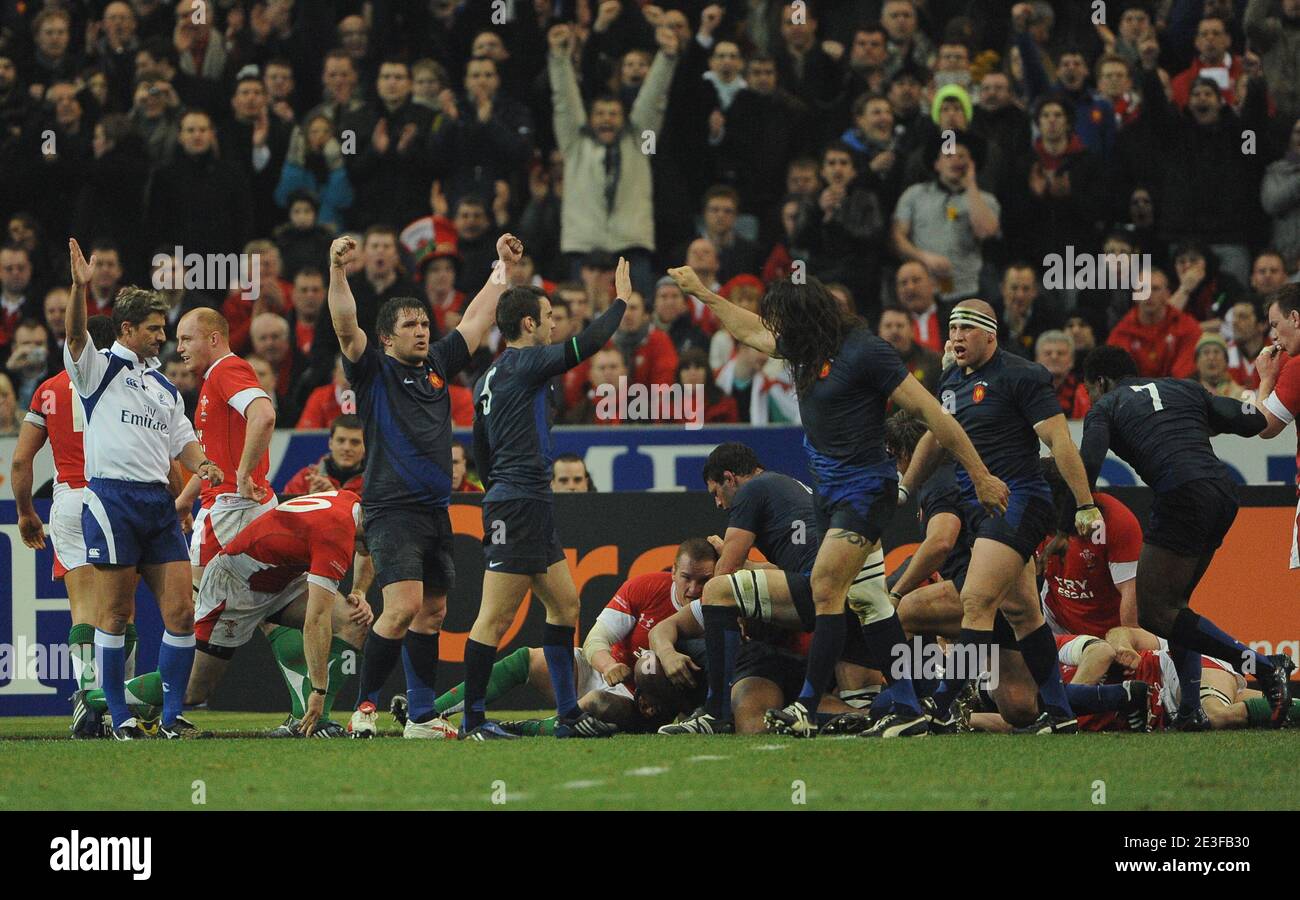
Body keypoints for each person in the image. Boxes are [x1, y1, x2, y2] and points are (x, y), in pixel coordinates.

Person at [669, 266, 1007, 738]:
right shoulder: (804, 349)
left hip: (866, 492)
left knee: (826, 586)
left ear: (807, 319)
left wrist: (981, 474)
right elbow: (747, 329)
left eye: (783, 322)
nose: (777, 333)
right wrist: (702, 293)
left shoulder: (867, 352)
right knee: (869, 600)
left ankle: (806, 703)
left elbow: (933, 413)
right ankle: (909, 704)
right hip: (830, 499)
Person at [329, 231, 520, 740]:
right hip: (391, 509)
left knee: (432, 615)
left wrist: (500, 265)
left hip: (436, 509)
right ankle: (364, 709)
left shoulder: (436, 366)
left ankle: (418, 716)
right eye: (409, 326)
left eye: (424, 323)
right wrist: (337, 272)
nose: (421, 331)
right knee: (404, 607)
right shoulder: (371, 371)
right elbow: (346, 326)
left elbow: (478, 317)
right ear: (387, 338)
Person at [900, 300, 1098, 734]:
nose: (955, 338)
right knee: (1023, 612)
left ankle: (941, 704)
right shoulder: (951, 377)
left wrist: (1085, 503)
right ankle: (1062, 715)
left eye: (965, 329)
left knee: (975, 601)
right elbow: (936, 435)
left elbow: (1060, 441)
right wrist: (904, 487)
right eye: (950, 329)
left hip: (1018, 499)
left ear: (990, 334)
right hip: (979, 506)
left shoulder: (1023, 375)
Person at [461, 260, 633, 739]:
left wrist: (500, 488)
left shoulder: (488, 379)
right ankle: (474, 722)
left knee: (565, 606)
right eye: (549, 315)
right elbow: (589, 344)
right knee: (493, 618)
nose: (555, 323)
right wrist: (619, 301)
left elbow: (480, 449)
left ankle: (567, 715)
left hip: (518, 499)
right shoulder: (527, 362)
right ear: (529, 323)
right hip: (519, 503)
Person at [1079, 345, 1293, 728]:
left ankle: (1263, 666)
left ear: (1099, 382)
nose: (1092, 399)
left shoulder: (1106, 406)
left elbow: (1088, 465)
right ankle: (1191, 710)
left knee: (1155, 613)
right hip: (1223, 493)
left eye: (1090, 390)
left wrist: (1079, 507)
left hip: (1180, 495)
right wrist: (1265, 383)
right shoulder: (1185, 389)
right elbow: (1251, 422)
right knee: (1176, 609)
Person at [63, 238, 222, 740]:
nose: (163, 338)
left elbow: (185, 444)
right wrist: (79, 288)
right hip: (112, 500)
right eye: (154, 329)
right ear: (126, 328)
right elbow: (73, 335)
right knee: (116, 613)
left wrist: (207, 465)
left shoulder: (166, 388)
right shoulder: (97, 369)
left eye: (164, 328)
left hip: (157, 503)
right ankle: (120, 715)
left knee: (181, 612)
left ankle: (170, 716)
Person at [662, 442, 875, 734]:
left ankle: (715, 713)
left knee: (716, 591)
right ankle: (912, 708)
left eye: (716, 493)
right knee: (865, 703)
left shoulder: (752, 490)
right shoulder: (786, 485)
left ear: (730, 478)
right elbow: (781, 573)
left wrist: (735, 612)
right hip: (852, 591)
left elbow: (726, 571)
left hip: (819, 588)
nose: (719, 504)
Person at [187, 490, 375, 737]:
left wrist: (359, 591)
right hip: (235, 585)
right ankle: (120, 699)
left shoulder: (355, 506)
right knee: (192, 691)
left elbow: (365, 549)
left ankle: (309, 722)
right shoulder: (335, 533)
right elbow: (316, 621)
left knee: (353, 620)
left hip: (281, 579)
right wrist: (318, 691)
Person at [11, 315, 122, 735]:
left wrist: (26, 512)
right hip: (116, 500)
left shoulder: (49, 389)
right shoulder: (125, 384)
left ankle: (86, 699)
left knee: (84, 609)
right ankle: (116, 707)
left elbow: (21, 460)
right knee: (119, 613)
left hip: (71, 502)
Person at [172, 309, 277, 598]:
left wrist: (244, 474)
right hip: (240, 504)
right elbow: (213, 459)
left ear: (214, 339)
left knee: (191, 610)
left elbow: (264, 415)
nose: (179, 348)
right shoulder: (211, 379)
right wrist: (186, 498)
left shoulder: (226, 370)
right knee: (264, 608)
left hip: (230, 509)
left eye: (186, 339)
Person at [1251, 284, 1300, 571]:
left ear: (1295, 318)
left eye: (1275, 325)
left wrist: (1266, 380)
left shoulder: (1296, 367)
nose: (1273, 336)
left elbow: (1263, 425)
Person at [282, 414, 366, 498]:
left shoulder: (374, 484)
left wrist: (334, 499)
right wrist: (309, 500)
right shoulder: (305, 478)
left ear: (366, 446)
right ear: (330, 443)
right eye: (341, 441)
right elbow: (284, 510)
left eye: (355, 442)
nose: (347, 448)